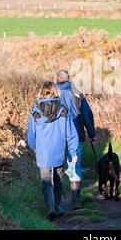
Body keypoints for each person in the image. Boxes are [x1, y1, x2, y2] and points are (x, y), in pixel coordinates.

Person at [27, 81, 79, 221]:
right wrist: (73, 152)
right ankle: (56, 206)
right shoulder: (63, 109)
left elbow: (31, 134)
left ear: (42, 92)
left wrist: (33, 147)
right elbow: (71, 133)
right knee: (58, 178)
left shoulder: (35, 111)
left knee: (45, 180)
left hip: (43, 151)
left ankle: (50, 209)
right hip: (59, 150)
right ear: (55, 92)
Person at [55, 69, 96, 210]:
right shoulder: (77, 93)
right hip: (76, 135)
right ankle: (76, 202)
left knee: (57, 167)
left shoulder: (52, 93)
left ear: (56, 80)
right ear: (69, 79)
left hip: (57, 137)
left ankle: (57, 203)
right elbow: (87, 114)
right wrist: (91, 134)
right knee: (74, 166)